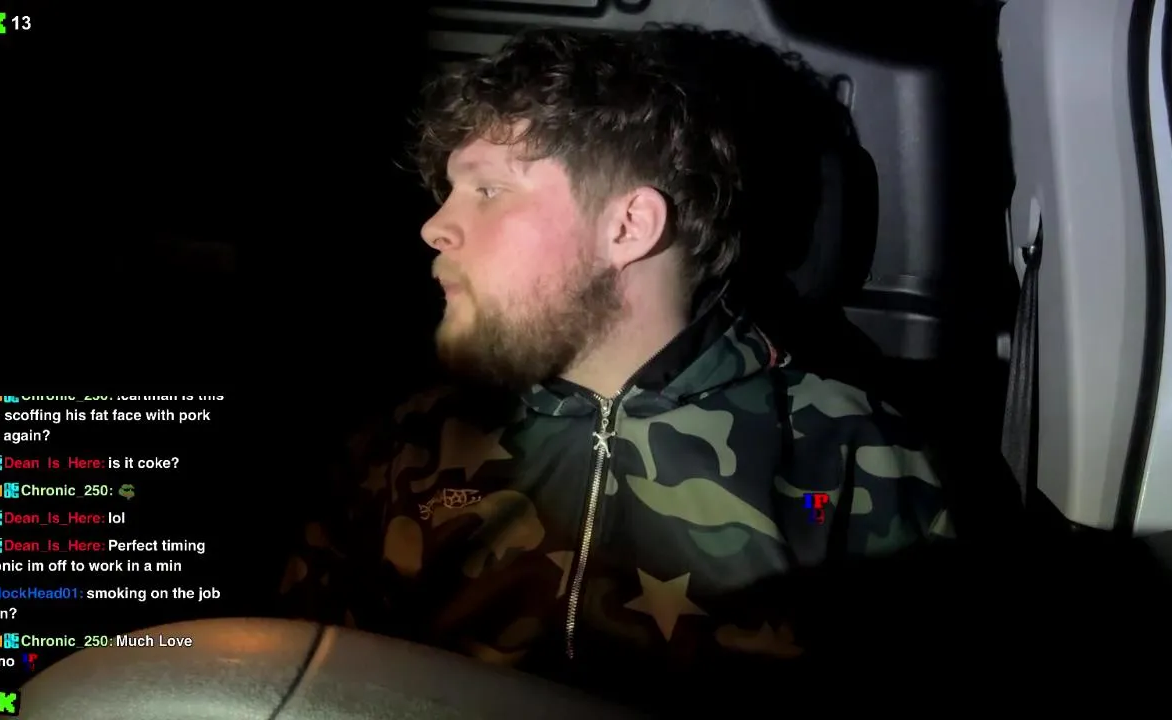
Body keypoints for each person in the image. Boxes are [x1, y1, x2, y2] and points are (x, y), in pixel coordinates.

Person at [279, 24, 954, 703]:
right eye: (448, 192)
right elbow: (305, 688)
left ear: (628, 227)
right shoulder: (401, 452)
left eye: (487, 191)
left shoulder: (851, 459)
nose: (434, 227)